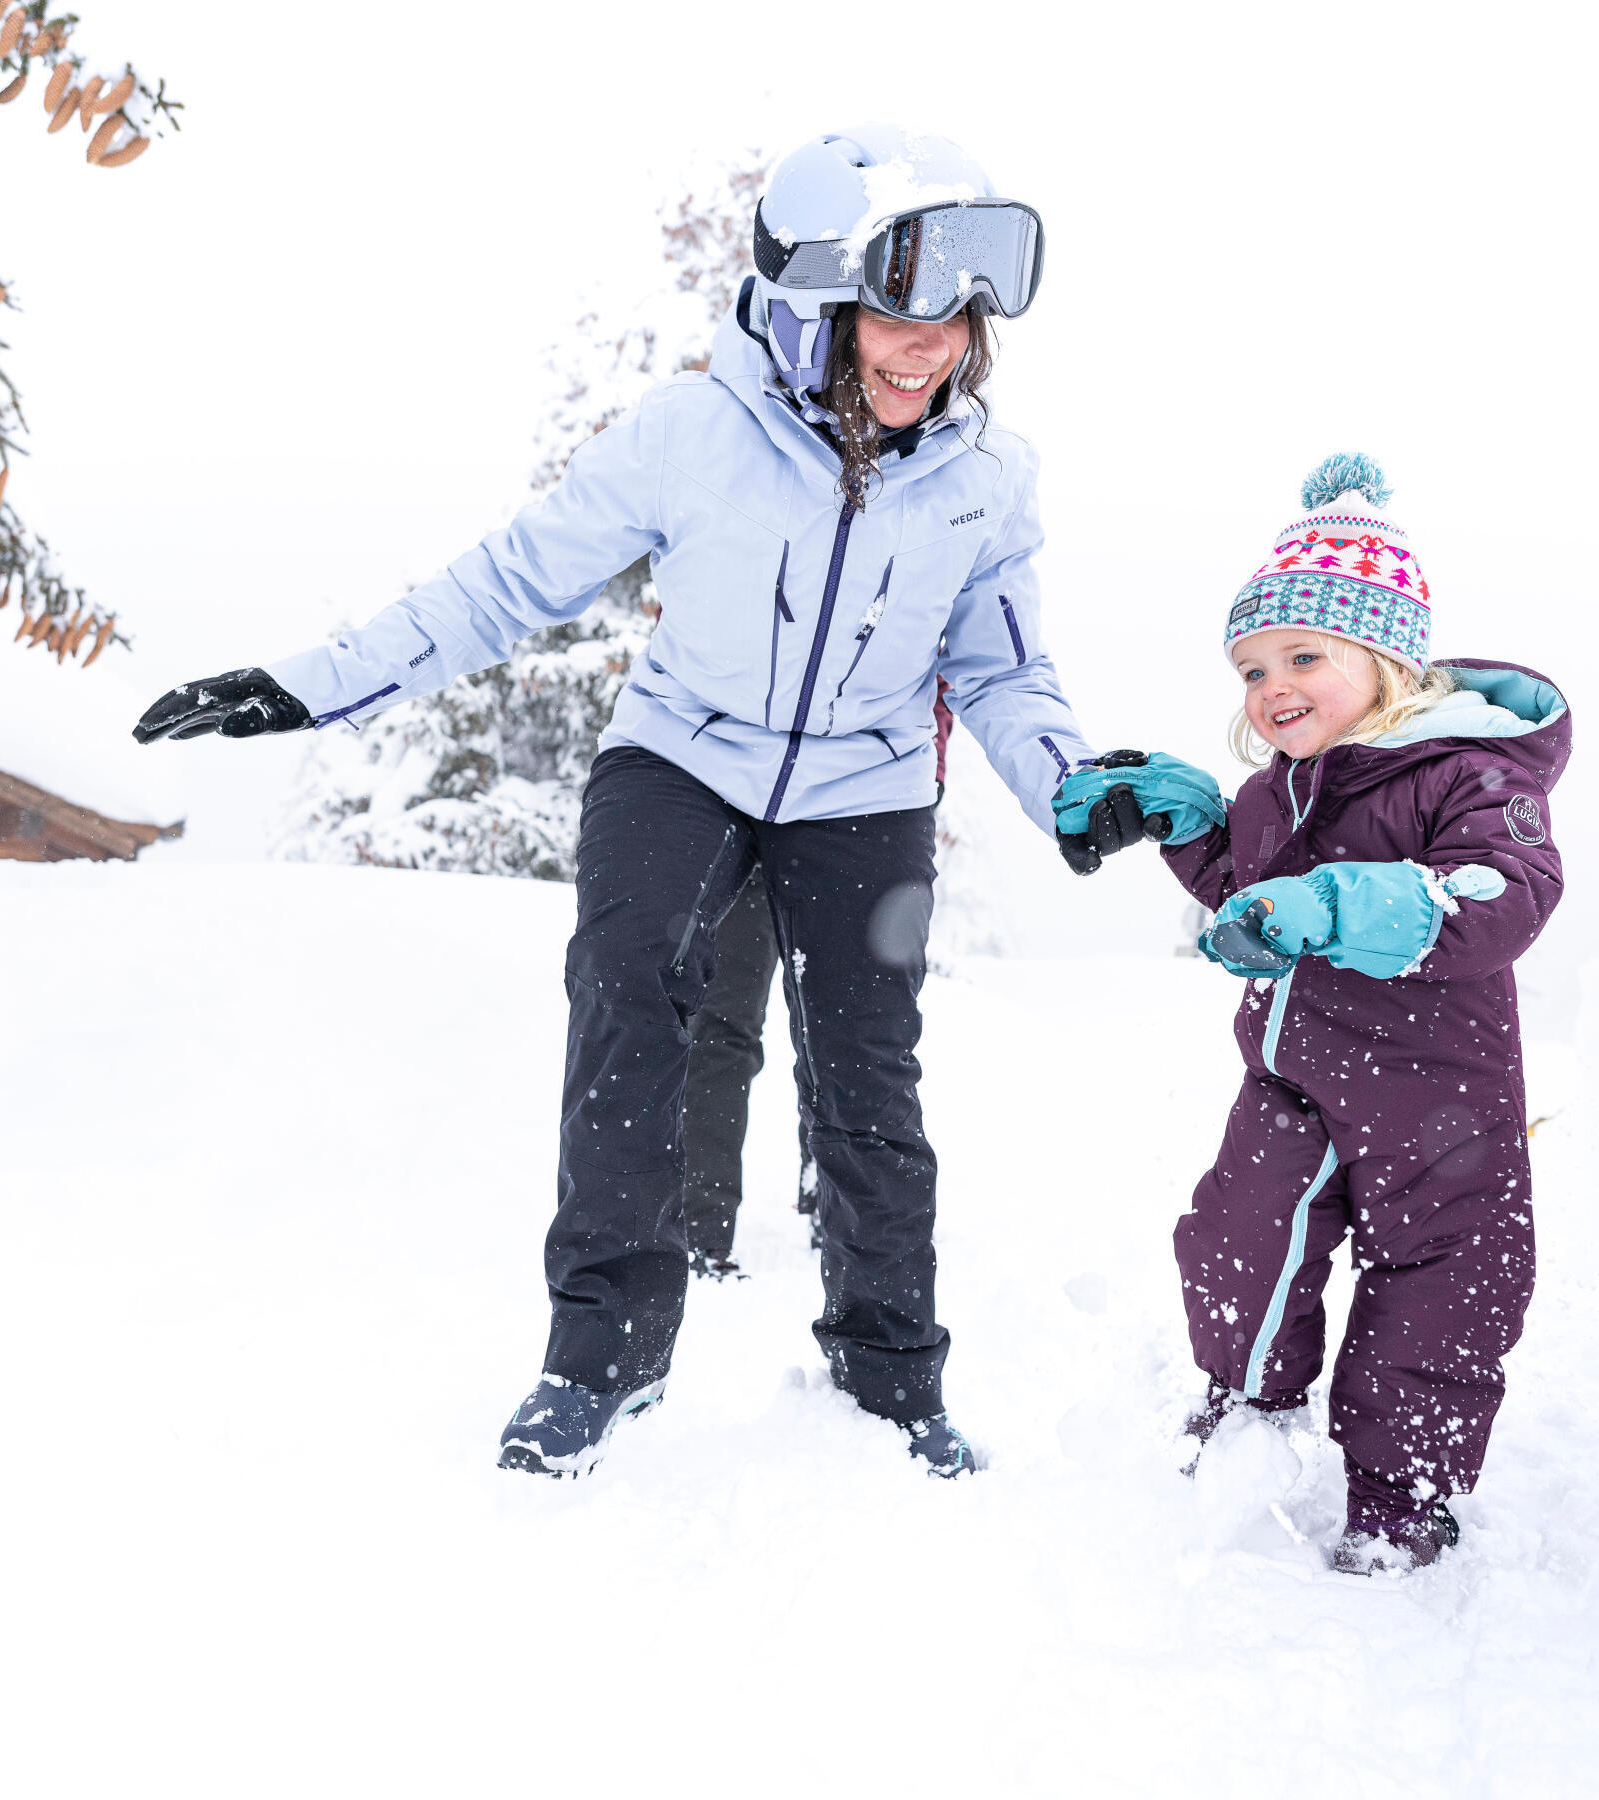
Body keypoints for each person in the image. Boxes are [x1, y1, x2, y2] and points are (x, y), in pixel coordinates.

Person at [134, 125, 1163, 1481]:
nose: (934, 348)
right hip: (682, 756)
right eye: (898, 314)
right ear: (815, 306)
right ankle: (599, 1360)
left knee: (868, 1074)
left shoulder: (987, 479)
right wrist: (308, 687)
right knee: (629, 1007)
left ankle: (890, 1377)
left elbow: (1004, 666)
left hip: (863, 786)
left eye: (959, 317)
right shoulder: (692, 438)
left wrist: (1069, 789)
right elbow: (503, 585)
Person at [1054, 454, 1568, 1573]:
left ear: (1384, 654)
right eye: (1249, 667)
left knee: (1443, 1289)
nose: (1269, 686)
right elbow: (1248, 898)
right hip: (1292, 1078)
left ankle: (1404, 1492)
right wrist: (1186, 821)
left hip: (1444, 1100)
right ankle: (1247, 1403)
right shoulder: (1274, 789)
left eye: (1300, 656)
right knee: (1236, 1236)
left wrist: (1336, 901)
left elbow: (1502, 895)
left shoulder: (1468, 776)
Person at [682, 680, 954, 1278]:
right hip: (735, 797)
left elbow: (940, 676)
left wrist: (922, 776)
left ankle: (832, 1206)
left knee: (840, 1034)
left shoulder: (917, 587)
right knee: (726, 1023)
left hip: (855, 808)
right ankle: (700, 1230)